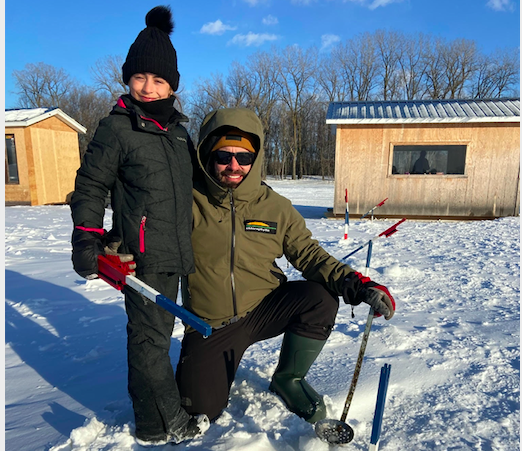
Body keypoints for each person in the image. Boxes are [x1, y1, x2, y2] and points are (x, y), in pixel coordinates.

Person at [175, 108, 396, 424]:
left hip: (265, 309)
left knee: (318, 297)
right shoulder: (187, 200)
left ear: (256, 159)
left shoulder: (275, 207)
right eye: (224, 155)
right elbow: (149, 233)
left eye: (244, 157)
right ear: (208, 155)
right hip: (212, 324)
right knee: (199, 411)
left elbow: (310, 255)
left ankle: (288, 379)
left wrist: (359, 285)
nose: (234, 165)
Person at [70, 6, 209, 446]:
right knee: (150, 343)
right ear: (127, 79)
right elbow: (91, 185)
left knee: (150, 339)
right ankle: (174, 422)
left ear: (172, 85)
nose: (148, 89)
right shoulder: (116, 128)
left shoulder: (177, 133)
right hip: (141, 255)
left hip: (178, 253)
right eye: (139, 78)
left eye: (159, 80)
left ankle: (149, 426)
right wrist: (88, 238)